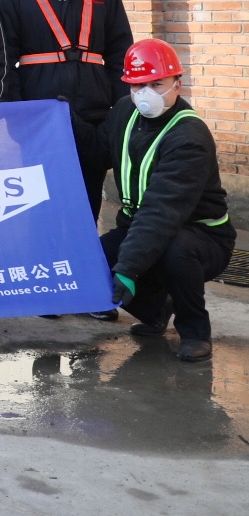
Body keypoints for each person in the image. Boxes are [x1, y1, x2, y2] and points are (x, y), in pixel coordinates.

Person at [89, 39, 234, 362]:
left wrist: (129, 268)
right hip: (141, 226)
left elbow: (161, 212)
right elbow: (96, 152)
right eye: (138, 85)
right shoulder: (124, 112)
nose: (146, 94)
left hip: (202, 236)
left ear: (176, 84)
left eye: (156, 84)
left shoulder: (189, 137)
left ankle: (195, 330)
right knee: (94, 262)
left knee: (174, 250)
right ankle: (156, 310)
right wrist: (64, 122)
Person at [0, 0, 133, 219]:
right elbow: (2, 62)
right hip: (39, 118)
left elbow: (120, 55)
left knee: (87, 204)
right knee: (43, 206)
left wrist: (119, 111)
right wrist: (19, 115)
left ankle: (84, 251)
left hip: (94, 117)